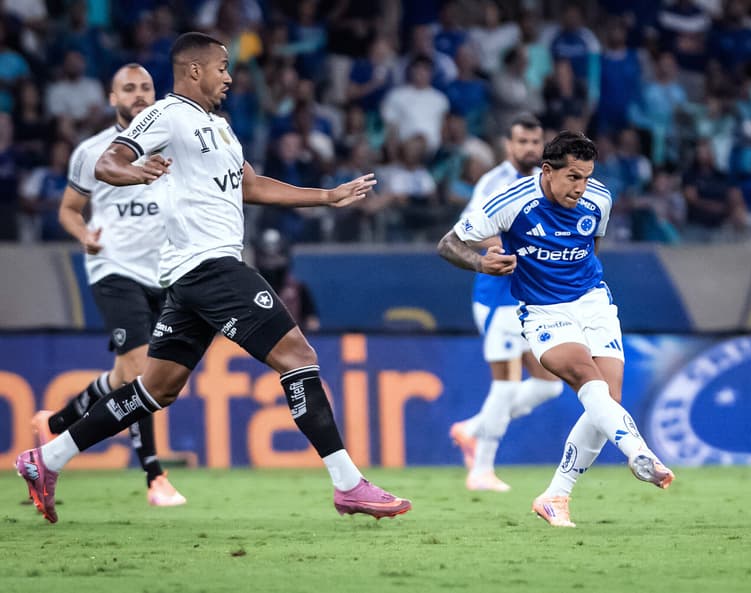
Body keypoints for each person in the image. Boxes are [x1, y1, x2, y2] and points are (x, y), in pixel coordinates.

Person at [15, 32, 410, 524]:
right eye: (222, 67)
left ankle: (45, 459)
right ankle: (349, 484)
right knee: (298, 357)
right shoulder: (166, 114)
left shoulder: (219, 126)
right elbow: (108, 161)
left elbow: (252, 185)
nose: (229, 76)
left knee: (154, 389)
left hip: (191, 277)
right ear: (194, 70)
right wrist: (135, 173)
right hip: (211, 266)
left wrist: (326, 197)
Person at [438, 131, 674, 527]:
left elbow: (589, 248)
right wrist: (481, 264)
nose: (581, 188)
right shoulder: (511, 202)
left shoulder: (600, 198)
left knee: (609, 400)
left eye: (586, 177)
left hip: (593, 301)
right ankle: (638, 452)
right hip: (543, 311)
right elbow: (448, 243)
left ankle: (555, 496)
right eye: (572, 177)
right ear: (547, 171)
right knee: (586, 377)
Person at [30, 63, 185, 507]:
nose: (138, 95)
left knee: (125, 377)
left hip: (166, 275)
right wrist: (85, 237)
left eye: (145, 88)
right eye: (128, 89)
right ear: (113, 99)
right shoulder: (93, 152)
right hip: (114, 270)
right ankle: (155, 477)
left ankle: (55, 425)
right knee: (143, 374)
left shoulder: (175, 147)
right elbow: (68, 210)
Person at [447, 113, 563, 492]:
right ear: (508, 146)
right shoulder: (495, 183)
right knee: (506, 383)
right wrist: (502, 248)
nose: (529, 148)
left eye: (535, 142)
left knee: (549, 385)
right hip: (499, 296)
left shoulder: (542, 181)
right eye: (522, 142)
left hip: (528, 294)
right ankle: (481, 470)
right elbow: (467, 232)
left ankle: (473, 428)